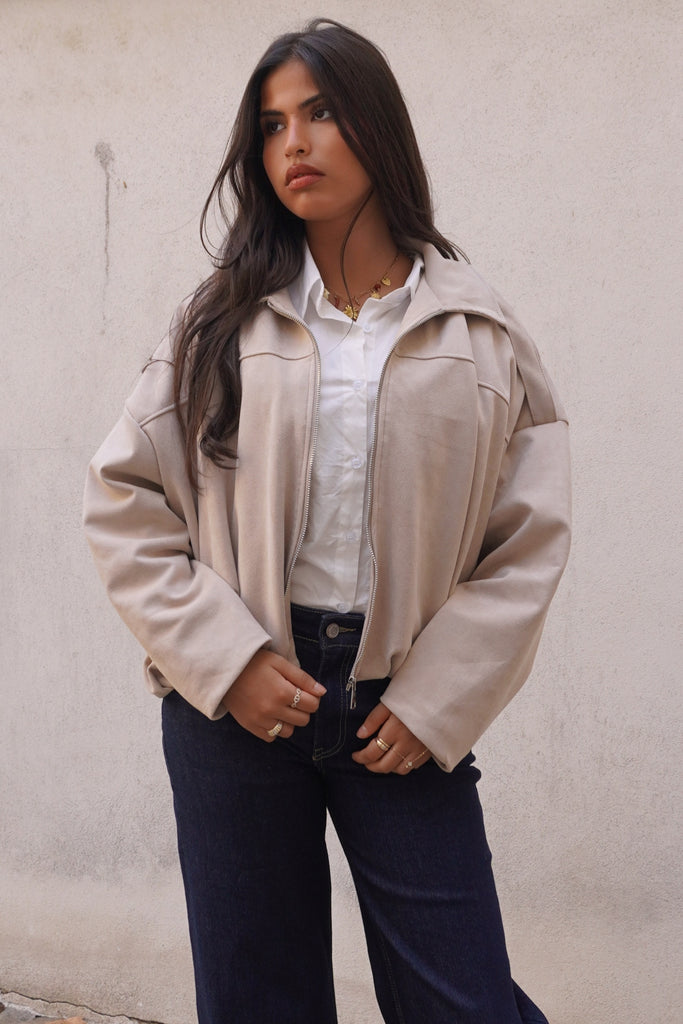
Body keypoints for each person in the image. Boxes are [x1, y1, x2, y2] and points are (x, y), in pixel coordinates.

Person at [83, 17, 571, 1024]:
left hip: (401, 709)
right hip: (238, 708)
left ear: (376, 127)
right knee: (258, 1002)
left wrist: (437, 700)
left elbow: (524, 546)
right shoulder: (220, 319)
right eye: (271, 125)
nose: (292, 144)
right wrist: (225, 660)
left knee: (462, 1002)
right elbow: (124, 501)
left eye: (319, 113)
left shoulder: (479, 331)